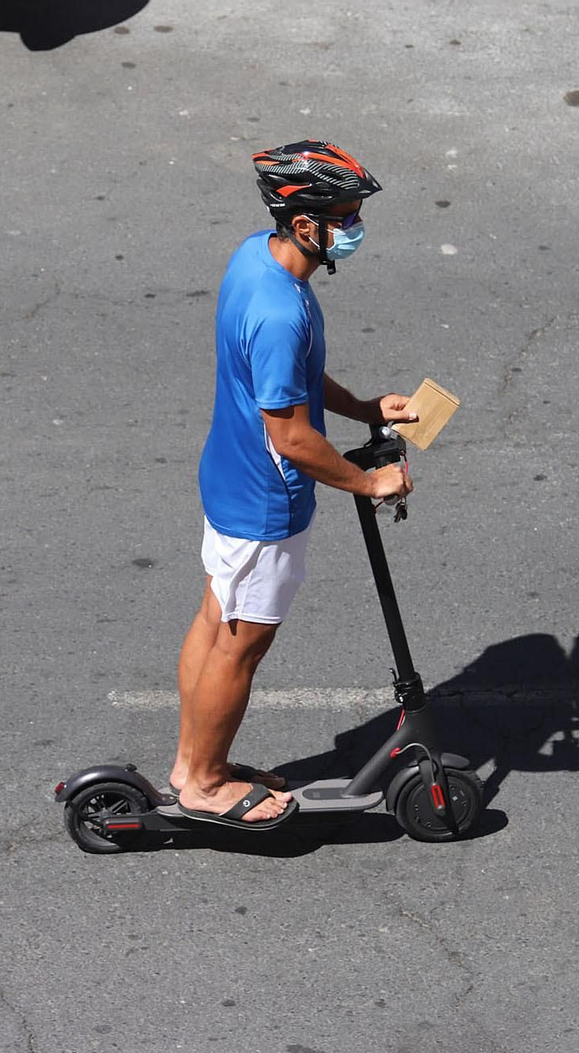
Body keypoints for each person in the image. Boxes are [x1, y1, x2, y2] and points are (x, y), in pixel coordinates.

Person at [168, 141, 418, 830]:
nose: (357, 227)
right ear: (305, 225)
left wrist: (367, 408)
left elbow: (292, 385)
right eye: (347, 215)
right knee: (240, 645)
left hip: (228, 476)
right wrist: (367, 482)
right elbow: (292, 436)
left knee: (217, 619)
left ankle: (192, 763)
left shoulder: (256, 258)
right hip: (265, 502)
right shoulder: (282, 313)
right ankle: (206, 783)